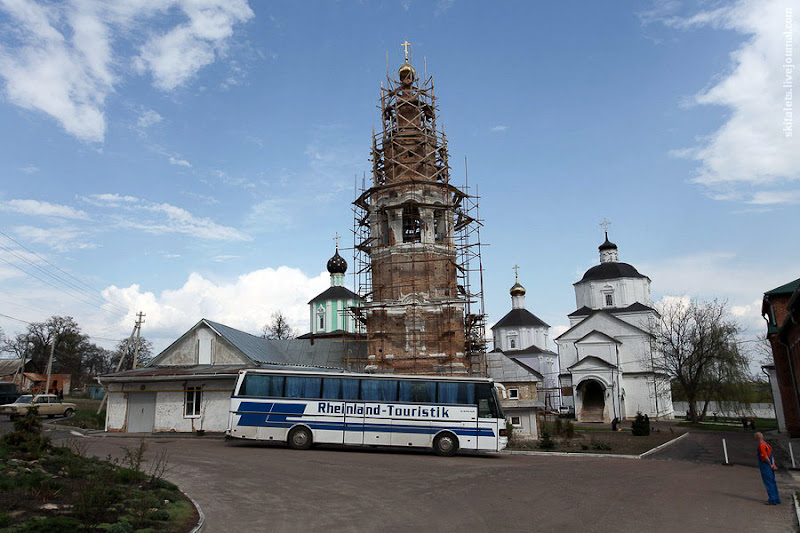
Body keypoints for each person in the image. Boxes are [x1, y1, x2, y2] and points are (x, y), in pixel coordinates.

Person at [755, 432, 781, 505]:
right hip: (770, 464)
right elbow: (771, 456)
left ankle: (772, 499)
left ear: (756, 438)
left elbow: (765, 457)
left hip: (765, 465)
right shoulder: (767, 445)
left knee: (768, 483)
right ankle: (776, 498)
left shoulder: (761, 446)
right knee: (773, 482)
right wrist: (773, 464)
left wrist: (770, 465)